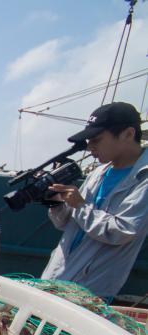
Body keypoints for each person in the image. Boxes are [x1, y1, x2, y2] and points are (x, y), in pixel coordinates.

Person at [42, 102, 148, 300]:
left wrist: (80, 205)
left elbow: (122, 231)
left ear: (128, 134)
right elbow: (66, 223)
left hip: (89, 294)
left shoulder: (144, 178)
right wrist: (56, 203)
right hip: (54, 281)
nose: (89, 148)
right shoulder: (99, 172)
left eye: (96, 140)